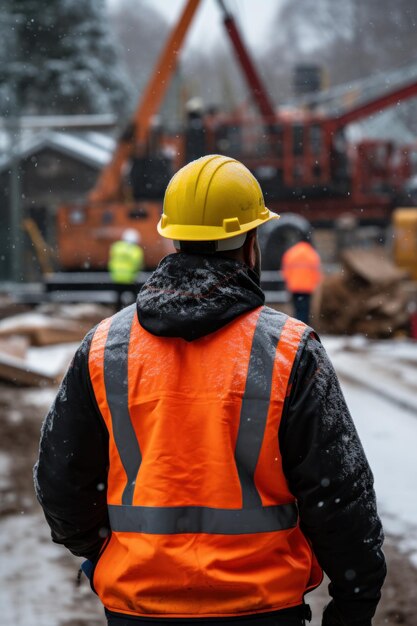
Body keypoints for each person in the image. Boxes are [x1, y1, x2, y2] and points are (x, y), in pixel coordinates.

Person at [34, 155, 386, 626]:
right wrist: (355, 600)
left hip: (139, 608)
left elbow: (60, 483)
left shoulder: (104, 347)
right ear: (252, 243)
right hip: (262, 609)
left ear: (172, 236)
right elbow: (341, 495)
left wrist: (100, 556)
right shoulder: (289, 350)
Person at [281, 239, 323, 324]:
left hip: (294, 287)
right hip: (307, 288)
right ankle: (303, 328)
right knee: (305, 310)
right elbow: (317, 274)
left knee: (297, 309)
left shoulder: (291, 253)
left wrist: (289, 283)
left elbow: (285, 272)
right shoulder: (312, 254)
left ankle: (297, 327)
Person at [108, 228, 144, 311]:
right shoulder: (136, 251)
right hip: (129, 278)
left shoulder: (116, 247)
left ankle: (117, 312)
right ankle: (133, 312)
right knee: (134, 296)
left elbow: (112, 260)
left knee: (118, 297)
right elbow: (137, 265)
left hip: (116, 277)